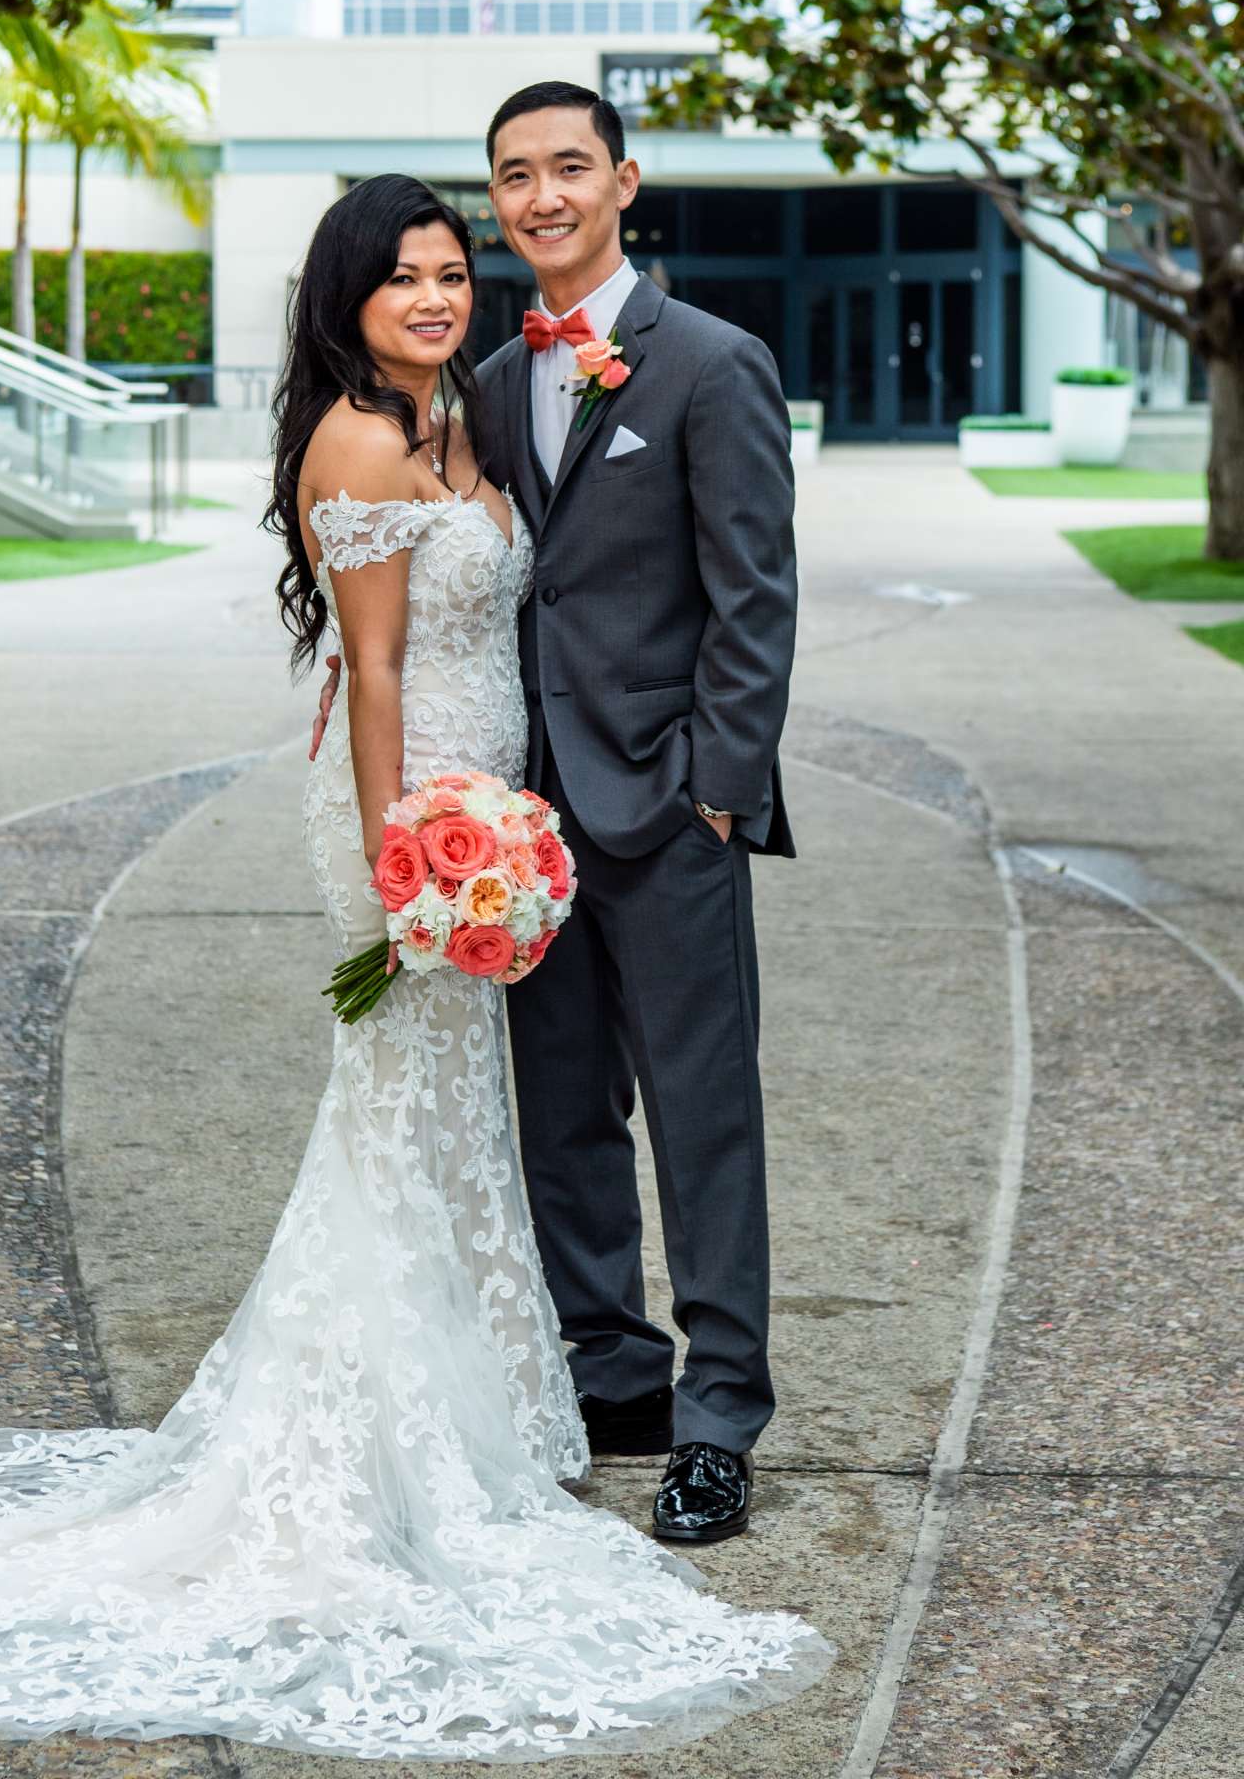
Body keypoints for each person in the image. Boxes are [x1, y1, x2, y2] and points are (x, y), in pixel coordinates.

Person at [0, 173, 827, 1758]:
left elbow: (722, 587)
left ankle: (598, 1402)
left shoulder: (478, 406)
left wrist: (694, 788)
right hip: (419, 823)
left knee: (528, 1112)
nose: (434, 294)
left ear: (610, 189)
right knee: (417, 1108)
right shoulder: (365, 433)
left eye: (445, 271)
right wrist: (409, 856)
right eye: (401, 274)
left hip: (538, 807)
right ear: (343, 297)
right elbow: (382, 659)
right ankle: (424, 1422)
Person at [314, 84, 798, 1549]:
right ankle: (613, 1369)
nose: (540, 198)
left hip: (665, 812)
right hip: (520, 826)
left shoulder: (714, 365)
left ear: (624, 183)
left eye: (568, 169)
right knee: (563, 1121)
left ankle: (720, 1418)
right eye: (513, 176)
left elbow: (755, 605)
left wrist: (716, 794)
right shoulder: (478, 388)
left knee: (705, 1123)